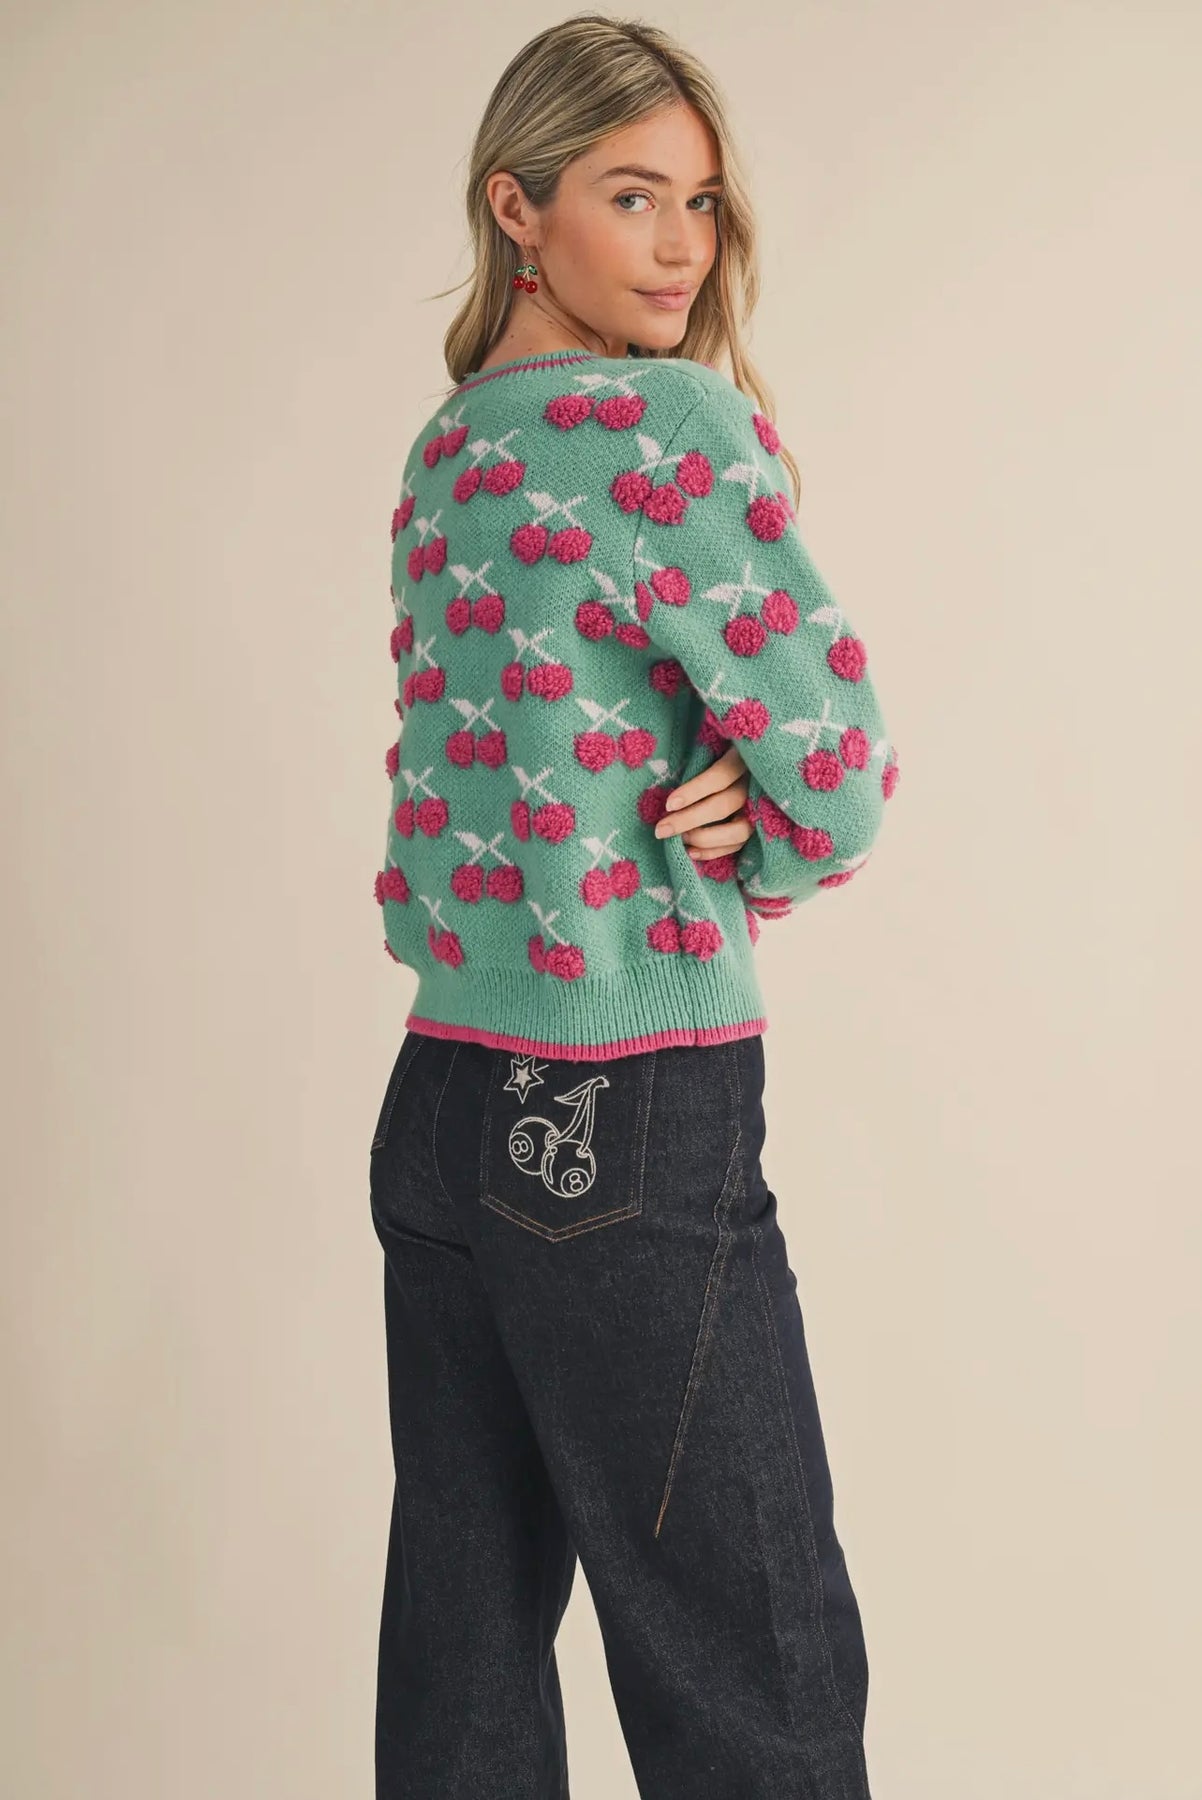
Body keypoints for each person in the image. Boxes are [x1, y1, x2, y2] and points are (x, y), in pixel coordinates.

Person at [368, 15, 900, 1797]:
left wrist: (730, 788)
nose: (679, 246)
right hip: (625, 1111)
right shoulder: (662, 424)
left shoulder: (451, 447)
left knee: (463, 1673)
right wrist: (773, 827)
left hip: (445, 1102)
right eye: (629, 195)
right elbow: (840, 768)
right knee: (751, 1675)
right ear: (514, 208)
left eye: (700, 202)